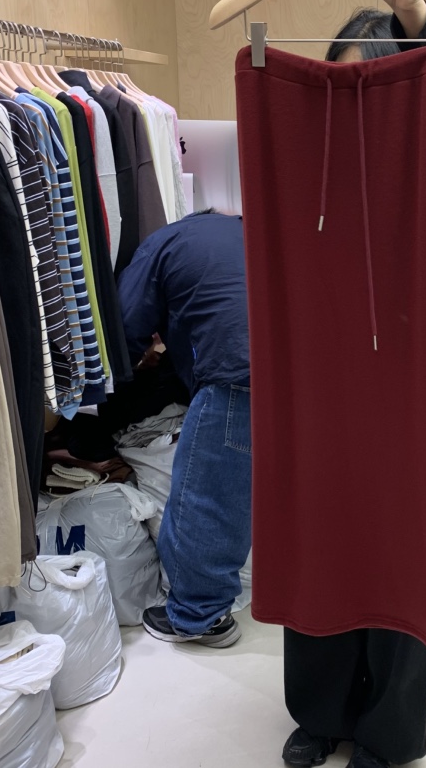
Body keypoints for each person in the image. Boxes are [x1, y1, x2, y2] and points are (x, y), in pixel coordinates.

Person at [280, 0, 426, 767]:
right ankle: (320, 709)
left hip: (411, 355)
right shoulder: (311, 164)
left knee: (403, 538)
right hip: (327, 356)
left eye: (376, 88)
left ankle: (389, 726)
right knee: (325, 528)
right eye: (343, 88)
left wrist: (411, 17)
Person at [118, 209, 251, 648]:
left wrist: (116, 381)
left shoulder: (163, 244)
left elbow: (127, 324)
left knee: (206, 498)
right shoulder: (255, 234)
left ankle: (201, 617)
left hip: (237, 377)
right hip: (306, 378)